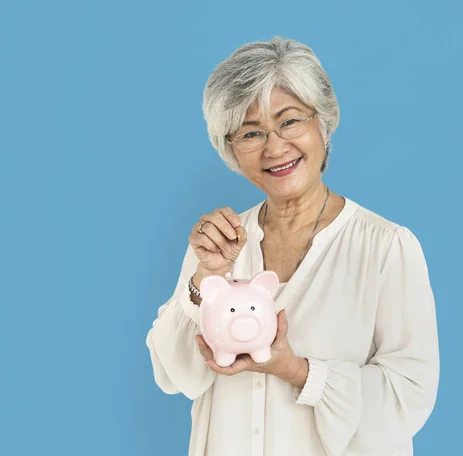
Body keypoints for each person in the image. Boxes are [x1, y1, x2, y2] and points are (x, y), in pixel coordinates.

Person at [145, 36, 440, 456]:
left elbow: (408, 397)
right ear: (231, 149)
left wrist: (297, 371)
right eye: (251, 132)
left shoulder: (386, 247)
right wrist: (205, 276)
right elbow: (174, 375)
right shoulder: (218, 242)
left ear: (323, 121)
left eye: (290, 121)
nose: (275, 147)